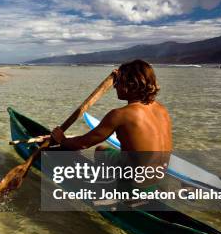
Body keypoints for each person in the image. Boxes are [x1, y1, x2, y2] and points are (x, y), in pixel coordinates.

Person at [50, 59, 172, 190]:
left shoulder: (120, 114)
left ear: (130, 84)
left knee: (100, 151)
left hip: (135, 185)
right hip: (158, 177)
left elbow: (84, 143)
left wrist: (62, 140)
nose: (115, 86)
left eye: (118, 82)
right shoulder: (162, 109)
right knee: (106, 151)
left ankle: (103, 190)